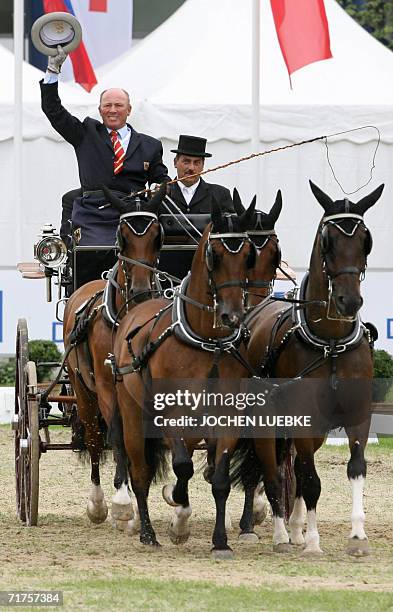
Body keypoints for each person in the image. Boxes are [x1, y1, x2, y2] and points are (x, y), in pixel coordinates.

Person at [40, 46, 170, 288]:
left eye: (119, 105)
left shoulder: (150, 145)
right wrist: (52, 71)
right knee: (94, 254)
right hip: (93, 214)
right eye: (107, 105)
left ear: (129, 110)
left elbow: (162, 178)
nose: (113, 110)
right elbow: (53, 111)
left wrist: (160, 186)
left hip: (134, 215)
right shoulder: (85, 133)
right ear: (100, 110)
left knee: (150, 251)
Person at [159, 134, 234, 279]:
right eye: (186, 162)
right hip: (166, 273)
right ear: (175, 162)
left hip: (208, 273)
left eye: (196, 162)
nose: (191, 168)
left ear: (203, 165)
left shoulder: (220, 194)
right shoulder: (160, 194)